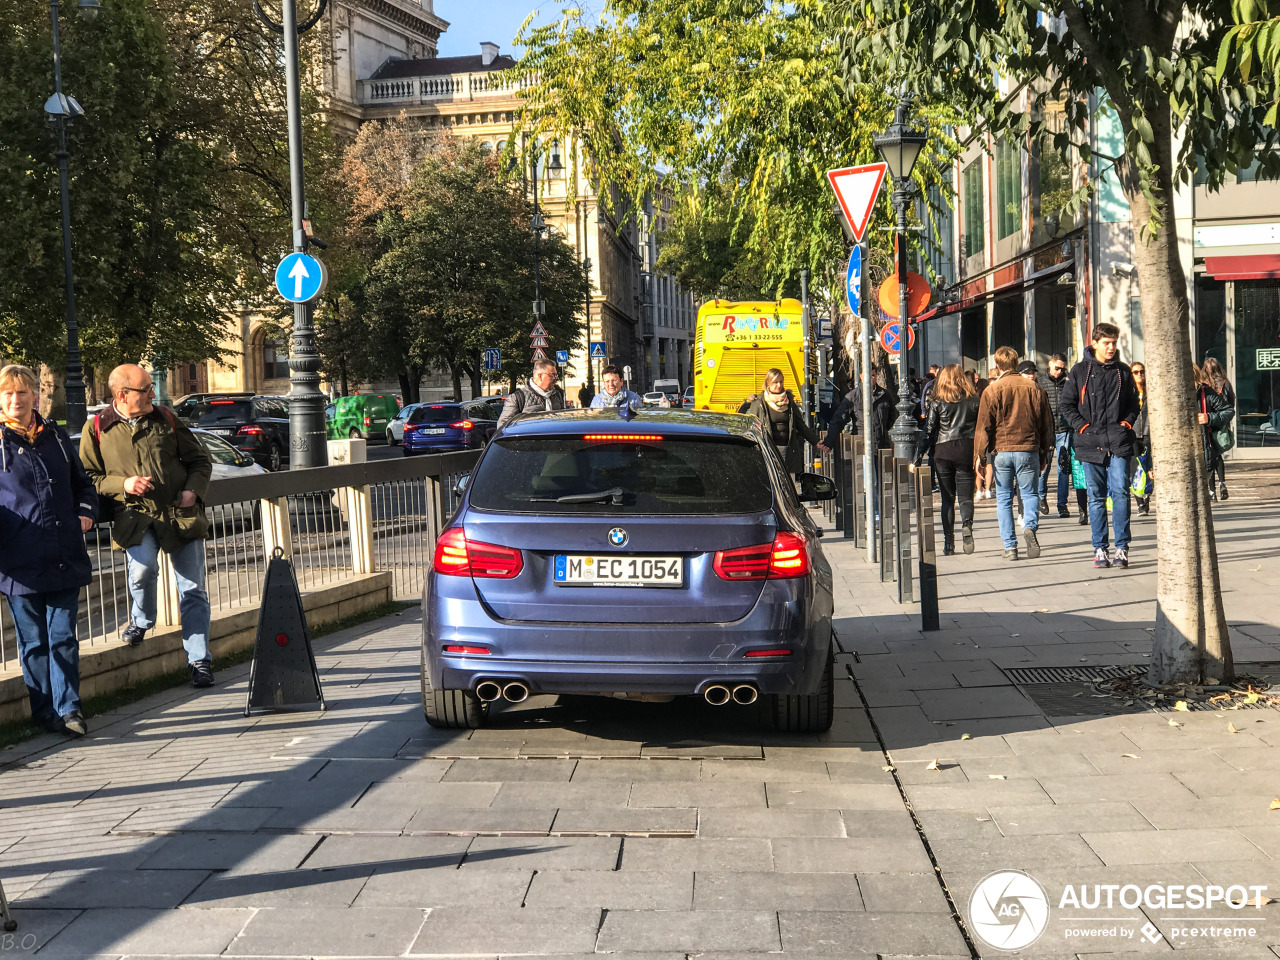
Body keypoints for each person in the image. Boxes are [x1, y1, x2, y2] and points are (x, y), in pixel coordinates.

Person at [80, 364, 216, 688]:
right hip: (135, 518)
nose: (153, 393)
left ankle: (199, 661)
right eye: (146, 389)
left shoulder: (166, 419)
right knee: (142, 571)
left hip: (178, 515)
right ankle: (141, 620)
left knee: (193, 589)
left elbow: (200, 461)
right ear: (122, 395)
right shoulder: (97, 427)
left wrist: (192, 491)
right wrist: (123, 484)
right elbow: (88, 478)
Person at [0, 365, 96, 735]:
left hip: (62, 553)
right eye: (8, 394)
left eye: (22, 393)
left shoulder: (55, 437)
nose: (15, 400)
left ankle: (70, 709)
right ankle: (44, 711)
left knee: (63, 636)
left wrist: (85, 513)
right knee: (34, 642)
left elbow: (82, 485)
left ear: (34, 397)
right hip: (18, 562)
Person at [1061, 323, 1141, 569]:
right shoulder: (1079, 371)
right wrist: (1083, 427)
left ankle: (1122, 548)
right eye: (1106, 343)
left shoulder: (1123, 371)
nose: (1111, 347)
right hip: (1089, 442)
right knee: (1095, 497)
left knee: (1120, 493)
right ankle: (1099, 548)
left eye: (1114, 343)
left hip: (1118, 441)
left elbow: (1133, 404)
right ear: (1094, 343)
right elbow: (1067, 405)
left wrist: (1126, 423)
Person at [973, 346, 1054, 561]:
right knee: (1029, 494)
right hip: (1028, 449)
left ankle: (1010, 546)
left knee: (1004, 499)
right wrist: (1045, 452)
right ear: (1017, 364)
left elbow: (983, 427)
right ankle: (1029, 526)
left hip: (1001, 451)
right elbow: (1047, 424)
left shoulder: (991, 390)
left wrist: (980, 457)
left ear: (997, 366)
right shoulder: (1034, 388)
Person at [911, 364, 978, 555]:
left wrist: (918, 456)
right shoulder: (974, 400)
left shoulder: (937, 401)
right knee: (966, 498)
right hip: (966, 449)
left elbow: (929, 431)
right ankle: (967, 525)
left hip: (943, 450)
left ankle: (949, 543)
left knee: (947, 499)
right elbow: (981, 427)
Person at [745, 369, 820, 476]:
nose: (779, 385)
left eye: (781, 381)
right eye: (775, 382)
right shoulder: (759, 403)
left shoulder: (789, 401)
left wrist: (816, 441)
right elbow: (751, 428)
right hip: (768, 450)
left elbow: (800, 425)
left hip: (788, 451)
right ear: (768, 383)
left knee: (788, 485)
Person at [822, 370, 895, 453]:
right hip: (861, 445)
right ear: (861, 376)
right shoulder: (853, 396)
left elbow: (892, 417)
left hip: (882, 445)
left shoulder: (885, 395)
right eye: (868, 375)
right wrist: (829, 442)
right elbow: (839, 419)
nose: (871, 378)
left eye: (873, 375)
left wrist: (882, 431)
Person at [1037, 353, 1072, 518]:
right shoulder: (1041, 382)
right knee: (1044, 467)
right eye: (1056, 368)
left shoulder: (1068, 382)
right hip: (1047, 431)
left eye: (1062, 368)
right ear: (1050, 365)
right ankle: (1041, 496)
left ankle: (1062, 504)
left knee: (1063, 469)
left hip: (1064, 430)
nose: (1059, 371)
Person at [1196, 363, 1235, 502]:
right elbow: (1231, 402)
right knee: (1216, 456)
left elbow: (1229, 408)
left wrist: (1209, 417)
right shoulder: (1224, 382)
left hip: (1208, 424)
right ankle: (1222, 483)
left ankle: (1212, 491)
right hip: (1217, 425)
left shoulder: (1204, 388)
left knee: (1211, 456)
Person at [497, 358, 566, 431]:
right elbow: (503, 427)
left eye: (556, 375)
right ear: (540, 376)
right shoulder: (517, 398)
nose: (555, 378)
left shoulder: (556, 395)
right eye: (552, 375)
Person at [1131, 361, 1152, 515]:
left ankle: (1147, 499)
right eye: (1136, 372)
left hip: (1147, 434)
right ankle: (1140, 502)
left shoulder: (1150, 392)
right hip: (1132, 435)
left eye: (1141, 371)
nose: (1140, 375)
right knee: (1135, 469)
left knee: (1147, 468)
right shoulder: (1128, 392)